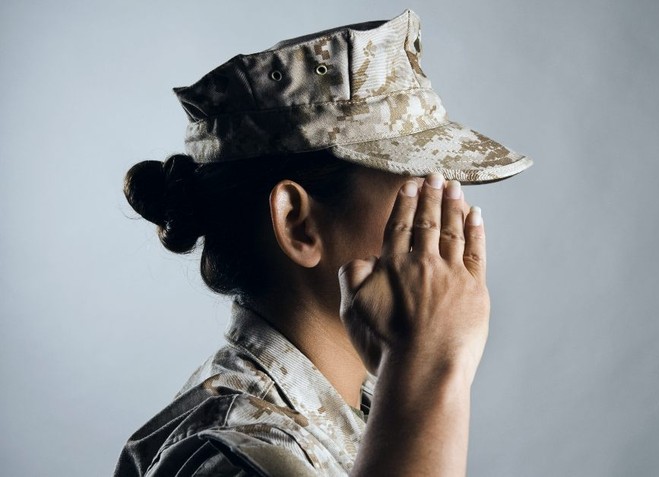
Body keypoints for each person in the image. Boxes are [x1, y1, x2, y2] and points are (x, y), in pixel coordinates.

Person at [114, 9, 531, 476]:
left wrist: (412, 377)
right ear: (298, 224)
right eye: (417, 187)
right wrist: (432, 365)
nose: (450, 216)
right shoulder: (233, 459)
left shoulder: (374, 409)